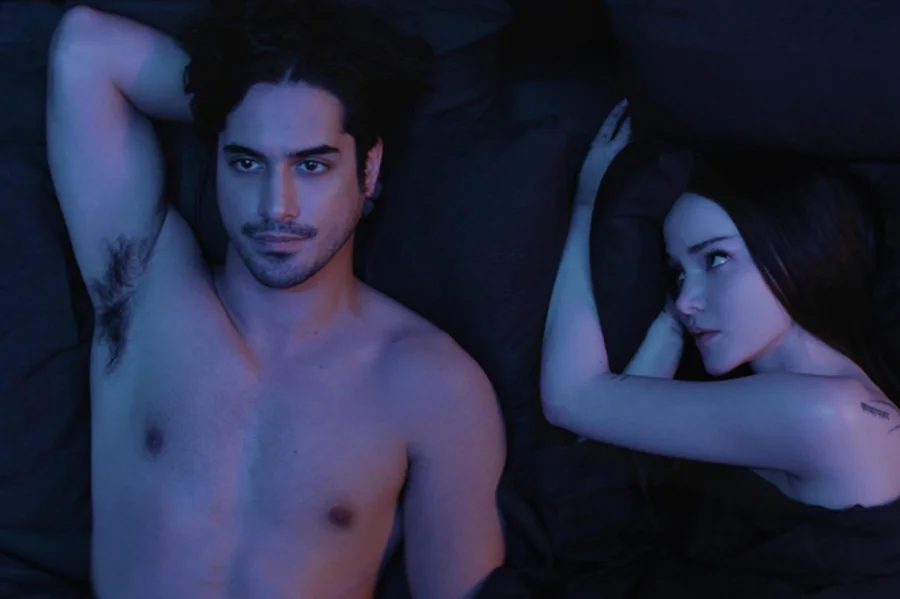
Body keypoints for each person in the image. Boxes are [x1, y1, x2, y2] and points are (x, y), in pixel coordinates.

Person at [46, 2, 506, 598]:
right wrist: (236, 98)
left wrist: (269, 109)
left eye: (311, 164)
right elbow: (85, 47)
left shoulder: (435, 386)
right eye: (246, 161)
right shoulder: (143, 296)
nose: (275, 207)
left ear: (368, 171)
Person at [542, 99, 900, 511]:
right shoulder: (816, 401)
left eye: (715, 259)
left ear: (799, 250)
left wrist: (585, 205)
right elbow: (601, 439)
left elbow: (571, 399)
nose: (685, 301)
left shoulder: (825, 413)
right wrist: (670, 329)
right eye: (678, 274)